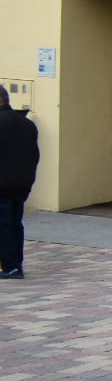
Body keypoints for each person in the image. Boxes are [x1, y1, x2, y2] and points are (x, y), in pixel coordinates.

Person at [0, 87, 39, 280]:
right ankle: (17, 264)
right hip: (22, 183)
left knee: (4, 225)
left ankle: (11, 267)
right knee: (16, 223)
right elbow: (35, 155)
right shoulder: (27, 125)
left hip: (2, 184)